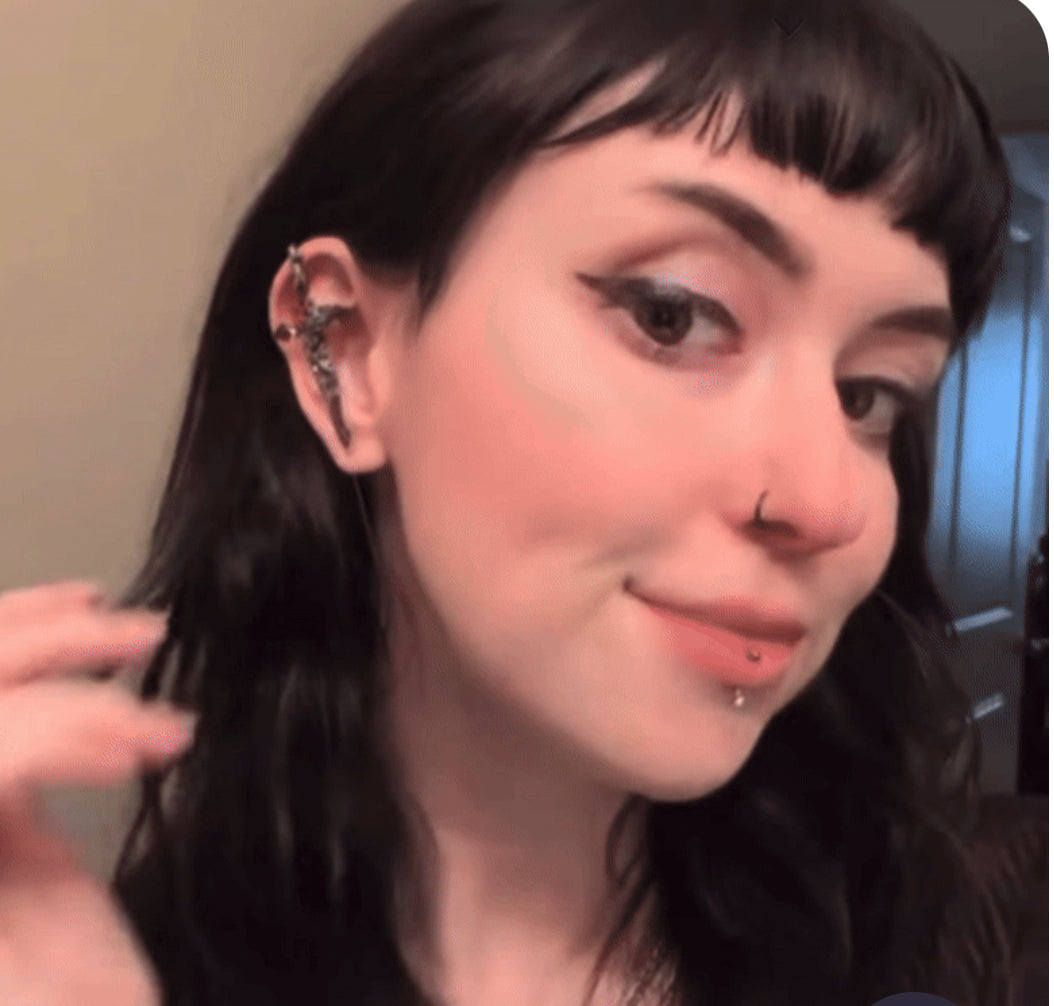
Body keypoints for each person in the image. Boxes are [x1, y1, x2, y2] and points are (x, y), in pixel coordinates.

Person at [0, 0, 1030, 1003]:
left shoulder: (933, 946)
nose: (825, 501)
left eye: (869, 395)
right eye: (672, 316)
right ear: (343, 354)